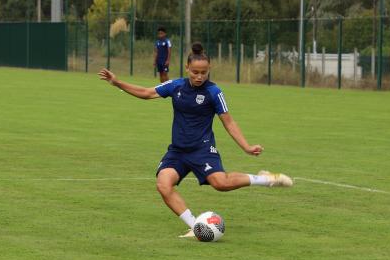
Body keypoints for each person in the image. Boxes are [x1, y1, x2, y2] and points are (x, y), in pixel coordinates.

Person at [98, 42, 293, 238]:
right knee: (163, 184)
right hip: (178, 151)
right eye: (195, 72)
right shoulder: (176, 86)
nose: (199, 77)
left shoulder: (214, 92)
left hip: (202, 150)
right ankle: (196, 226)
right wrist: (117, 82)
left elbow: (229, 122)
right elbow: (147, 93)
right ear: (187, 68)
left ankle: (266, 179)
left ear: (209, 70)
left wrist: (246, 147)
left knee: (220, 183)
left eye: (204, 72)